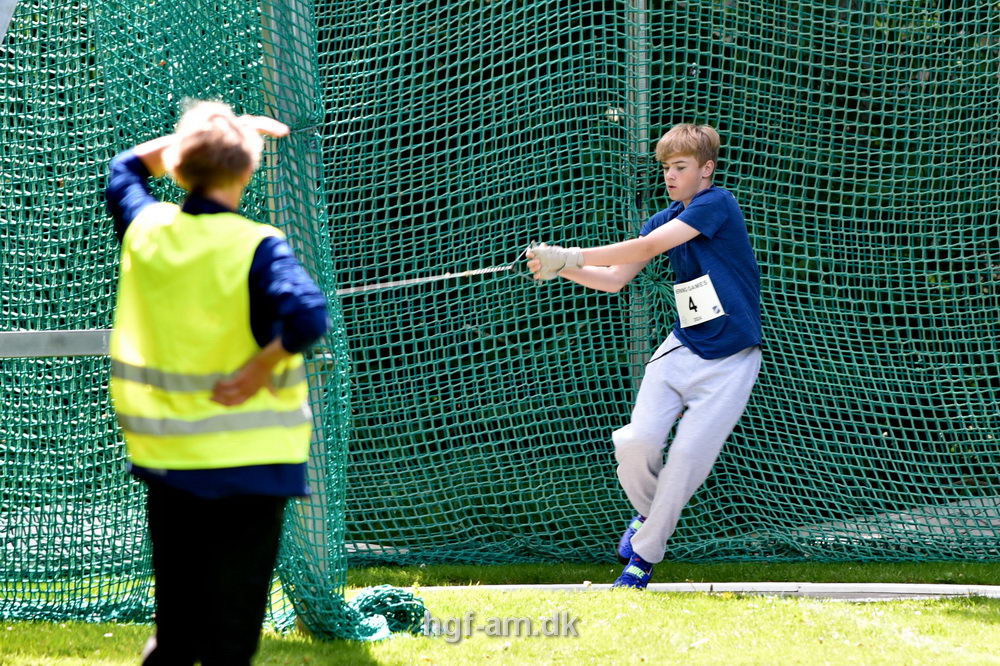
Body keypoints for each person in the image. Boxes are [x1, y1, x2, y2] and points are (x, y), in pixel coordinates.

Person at [105, 100, 330, 663]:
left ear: (179, 168)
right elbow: (307, 317)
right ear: (247, 170)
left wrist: (206, 140)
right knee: (232, 639)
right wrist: (256, 371)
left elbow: (124, 169)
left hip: (172, 460)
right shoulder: (256, 245)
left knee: (178, 630)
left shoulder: (147, 230)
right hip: (255, 467)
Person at [527, 124, 762, 589]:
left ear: (706, 171)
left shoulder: (718, 204)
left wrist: (569, 255)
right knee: (634, 443)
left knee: (687, 462)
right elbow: (615, 278)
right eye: (666, 168)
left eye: (681, 167)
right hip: (681, 348)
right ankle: (646, 516)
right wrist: (559, 270)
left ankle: (643, 558)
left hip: (732, 360)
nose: (670, 176)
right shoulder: (660, 218)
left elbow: (649, 249)